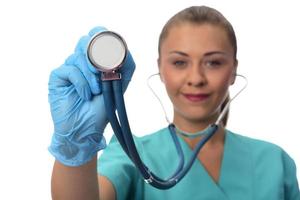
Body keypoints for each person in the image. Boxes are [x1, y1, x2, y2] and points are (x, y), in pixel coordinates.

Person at [48, 6, 300, 200]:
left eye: (213, 62)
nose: (196, 78)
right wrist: (76, 146)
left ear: (233, 70)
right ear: (160, 68)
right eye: (180, 62)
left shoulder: (275, 163)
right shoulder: (132, 154)